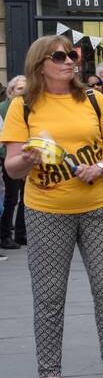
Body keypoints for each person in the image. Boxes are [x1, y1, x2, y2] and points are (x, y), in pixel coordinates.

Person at [1, 36, 103, 378]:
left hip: (98, 207)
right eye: (60, 56)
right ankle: (48, 373)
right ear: (39, 63)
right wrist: (29, 158)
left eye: (73, 55)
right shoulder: (24, 106)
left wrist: (99, 166)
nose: (70, 61)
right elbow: (12, 168)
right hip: (47, 211)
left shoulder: (93, 100)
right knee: (49, 294)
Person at [0, 75, 27, 250]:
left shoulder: (29, 106)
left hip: (28, 157)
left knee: (25, 197)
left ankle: (20, 233)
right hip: (8, 158)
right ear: (10, 91)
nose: (23, 93)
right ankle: (4, 236)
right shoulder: (3, 108)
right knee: (11, 198)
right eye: (19, 89)